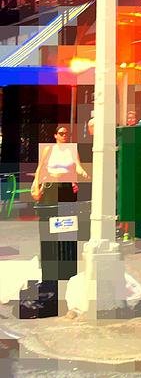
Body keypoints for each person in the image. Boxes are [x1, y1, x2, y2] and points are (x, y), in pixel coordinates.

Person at [27, 125, 88, 317]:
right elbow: (40, 168)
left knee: (66, 232)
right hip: (50, 188)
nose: (64, 136)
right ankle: (50, 279)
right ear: (55, 135)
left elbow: (77, 166)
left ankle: (66, 276)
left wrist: (82, 171)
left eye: (66, 134)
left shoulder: (72, 150)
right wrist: (36, 186)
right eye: (61, 133)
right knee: (50, 234)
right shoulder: (48, 149)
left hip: (66, 191)